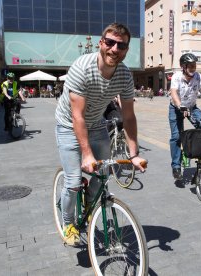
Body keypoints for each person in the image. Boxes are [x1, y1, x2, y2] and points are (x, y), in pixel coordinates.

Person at [54, 23, 146, 246]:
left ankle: (87, 205)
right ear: (100, 43)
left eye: (121, 45)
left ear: (127, 49)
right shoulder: (82, 68)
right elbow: (77, 116)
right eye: (110, 42)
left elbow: (129, 116)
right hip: (68, 125)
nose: (115, 49)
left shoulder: (124, 75)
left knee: (102, 176)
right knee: (74, 182)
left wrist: (134, 153)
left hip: (96, 125)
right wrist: (86, 154)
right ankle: (69, 223)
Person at [168, 53, 201, 180]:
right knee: (176, 137)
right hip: (176, 108)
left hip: (192, 107)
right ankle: (176, 166)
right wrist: (180, 105)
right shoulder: (177, 77)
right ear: (183, 67)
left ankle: (194, 153)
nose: (193, 68)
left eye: (194, 65)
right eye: (190, 66)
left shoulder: (198, 76)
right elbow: (174, 92)